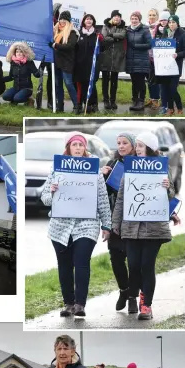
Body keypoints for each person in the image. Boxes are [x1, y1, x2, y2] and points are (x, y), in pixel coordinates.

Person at [41, 131, 111, 317]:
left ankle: (80, 304)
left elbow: (102, 199)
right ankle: (68, 304)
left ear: (85, 148)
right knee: (64, 266)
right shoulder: (57, 169)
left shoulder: (94, 170)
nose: (78, 148)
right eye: (74, 145)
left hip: (87, 224)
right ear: (68, 148)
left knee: (81, 263)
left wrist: (106, 225)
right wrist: (53, 191)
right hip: (60, 227)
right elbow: (45, 198)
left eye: (81, 145)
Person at [112, 131, 175, 320]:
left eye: (140, 146)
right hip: (131, 228)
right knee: (134, 265)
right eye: (137, 146)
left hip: (154, 229)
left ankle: (146, 305)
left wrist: (167, 188)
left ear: (149, 147)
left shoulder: (162, 167)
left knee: (147, 265)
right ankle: (139, 294)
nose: (137, 149)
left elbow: (171, 195)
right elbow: (121, 198)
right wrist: (116, 222)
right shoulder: (129, 168)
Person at [101, 132, 136, 312]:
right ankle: (124, 290)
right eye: (118, 143)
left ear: (133, 146)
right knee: (116, 259)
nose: (121, 146)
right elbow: (102, 195)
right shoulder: (112, 164)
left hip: (135, 220)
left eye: (125, 143)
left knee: (134, 260)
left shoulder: (140, 164)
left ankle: (132, 297)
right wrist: (102, 176)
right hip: (115, 219)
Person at [160, 15, 185, 116]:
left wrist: (177, 55)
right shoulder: (165, 33)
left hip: (176, 66)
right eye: (169, 22)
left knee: (173, 89)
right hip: (165, 66)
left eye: (173, 22)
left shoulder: (183, 34)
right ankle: (170, 109)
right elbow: (161, 47)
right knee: (167, 88)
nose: (171, 24)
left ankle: (180, 107)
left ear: (177, 23)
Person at [49, 10, 78, 112]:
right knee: (58, 85)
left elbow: (69, 46)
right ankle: (60, 106)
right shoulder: (55, 31)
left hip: (67, 62)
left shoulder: (73, 32)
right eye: (61, 19)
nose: (62, 21)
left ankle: (76, 106)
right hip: (57, 62)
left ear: (68, 21)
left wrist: (55, 45)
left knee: (68, 83)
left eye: (64, 20)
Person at [73, 13, 103, 113]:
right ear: (84, 21)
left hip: (92, 65)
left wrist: (102, 40)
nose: (89, 21)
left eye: (90, 19)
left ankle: (93, 105)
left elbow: (102, 48)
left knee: (91, 85)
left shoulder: (97, 34)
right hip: (80, 64)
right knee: (80, 85)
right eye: (87, 19)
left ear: (93, 21)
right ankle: (79, 105)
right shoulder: (79, 34)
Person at [99, 10, 126, 110]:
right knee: (105, 79)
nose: (116, 18)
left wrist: (111, 35)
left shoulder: (123, 27)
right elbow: (105, 38)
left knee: (114, 80)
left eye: (118, 16)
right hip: (106, 56)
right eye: (114, 16)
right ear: (111, 18)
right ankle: (106, 100)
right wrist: (116, 38)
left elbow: (123, 35)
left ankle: (113, 100)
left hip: (117, 57)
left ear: (120, 18)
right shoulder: (105, 26)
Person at [125, 11, 152, 111]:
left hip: (142, 60)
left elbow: (150, 44)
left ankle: (141, 101)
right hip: (131, 61)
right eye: (132, 18)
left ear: (139, 20)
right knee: (134, 82)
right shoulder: (128, 30)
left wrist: (136, 46)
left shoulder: (145, 29)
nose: (134, 20)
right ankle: (135, 101)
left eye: (136, 19)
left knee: (140, 82)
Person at [3, 41, 40, 105]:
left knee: (17, 98)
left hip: (27, 88)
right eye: (17, 52)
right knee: (5, 96)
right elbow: (11, 77)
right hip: (16, 88)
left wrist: (38, 72)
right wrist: (0, 79)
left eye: (21, 52)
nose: (19, 53)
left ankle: (29, 100)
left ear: (24, 53)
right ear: (14, 53)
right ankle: (14, 100)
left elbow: (37, 74)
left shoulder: (29, 62)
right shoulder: (13, 63)